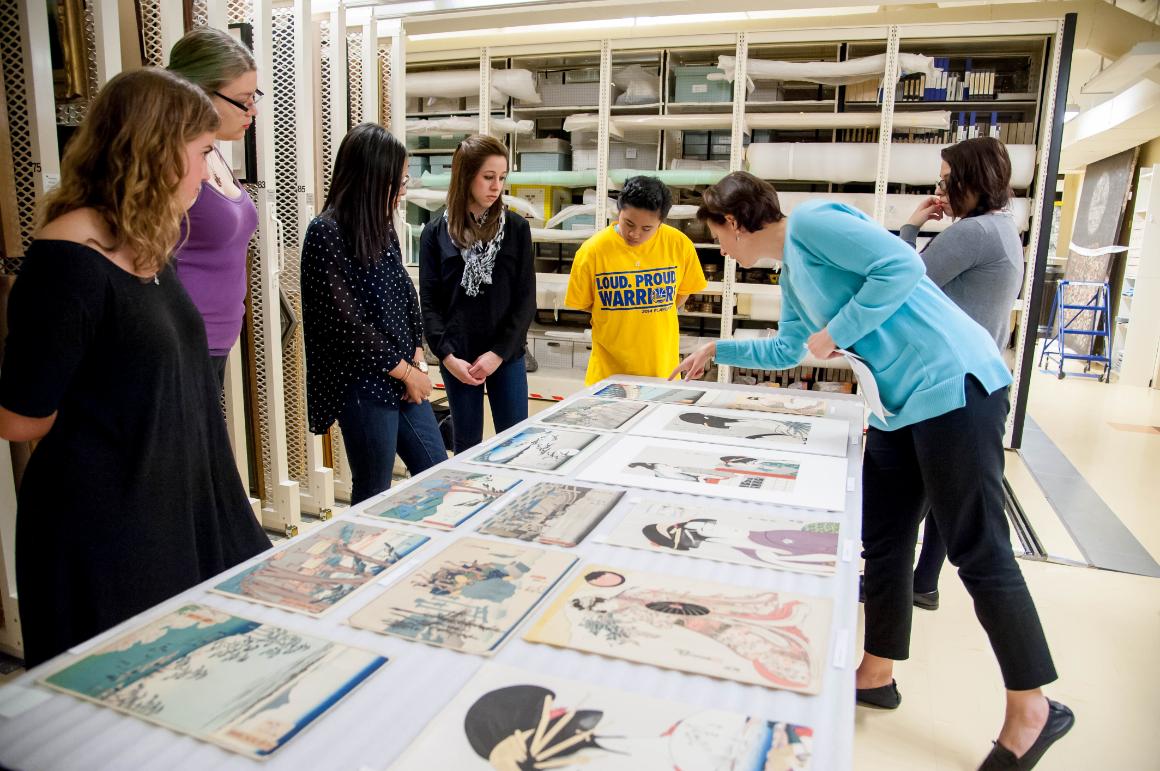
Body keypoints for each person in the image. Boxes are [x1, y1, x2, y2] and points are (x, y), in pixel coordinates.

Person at [671, 172, 1072, 770]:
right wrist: (715, 349)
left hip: (952, 384)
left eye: (719, 239)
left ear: (734, 223)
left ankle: (1033, 708)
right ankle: (876, 671)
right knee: (882, 541)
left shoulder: (812, 222)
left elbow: (902, 269)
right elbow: (788, 350)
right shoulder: (793, 274)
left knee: (978, 550)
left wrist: (838, 331)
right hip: (897, 406)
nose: (723, 252)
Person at [0, 68, 272, 667]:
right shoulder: (68, 261)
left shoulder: (145, 242)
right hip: (107, 534)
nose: (207, 172)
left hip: (171, 508)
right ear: (155, 150)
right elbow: (22, 419)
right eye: (202, 153)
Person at [901, 136, 1026, 612]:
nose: (943, 189)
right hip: (979, 380)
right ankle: (923, 581)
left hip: (952, 383)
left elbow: (903, 281)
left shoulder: (972, 234)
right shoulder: (1002, 230)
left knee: (936, 494)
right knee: (941, 491)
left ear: (974, 181)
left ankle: (913, 579)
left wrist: (910, 226)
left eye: (949, 180)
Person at [301, 122, 447, 505]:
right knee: (373, 490)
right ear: (370, 179)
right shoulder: (326, 233)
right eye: (397, 183)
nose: (402, 192)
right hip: (364, 384)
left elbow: (403, 292)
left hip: (403, 372)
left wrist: (416, 352)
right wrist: (405, 372)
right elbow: (347, 326)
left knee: (436, 471)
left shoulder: (381, 225)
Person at [419, 134, 535, 453]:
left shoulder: (516, 229)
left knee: (514, 444)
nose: (496, 186)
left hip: (505, 354)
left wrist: (498, 353)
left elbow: (526, 301)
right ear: (466, 175)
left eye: (501, 177)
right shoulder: (434, 233)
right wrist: (447, 356)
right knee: (467, 444)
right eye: (488, 177)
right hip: (458, 357)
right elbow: (429, 304)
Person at [167, 27, 262, 388]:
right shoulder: (174, 161)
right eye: (243, 99)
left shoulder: (212, 152)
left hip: (214, 341)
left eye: (255, 97)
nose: (252, 109)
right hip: (183, 341)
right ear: (200, 93)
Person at [565, 175, 707, 385]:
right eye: (628, 223)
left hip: (662, 372)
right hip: (608, 375)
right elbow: (585, 304)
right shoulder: (592, 251)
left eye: (646, 228)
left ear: (661, 222)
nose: (635, 234)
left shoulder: (679, 244)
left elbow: (683, 292)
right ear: (618, 212)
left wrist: (650, 309)